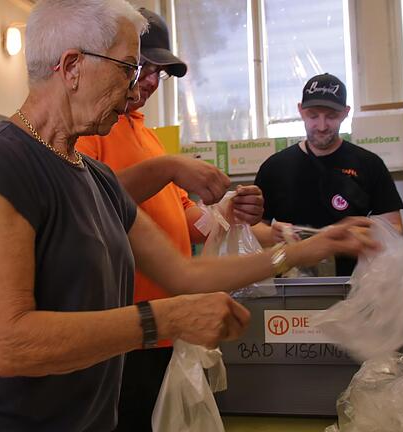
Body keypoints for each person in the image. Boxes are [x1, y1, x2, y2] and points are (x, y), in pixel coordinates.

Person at [0, 2, 378, 430]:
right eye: (127, 67)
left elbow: (183, 274)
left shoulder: (94, 178)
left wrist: (304, 249)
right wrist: (163, 320)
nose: (135, 84)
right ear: (73, 66)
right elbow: (10, 344)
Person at [75, 8, 264, 430]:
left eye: (159, 74)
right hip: (122, 327)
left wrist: (226, 212)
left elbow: (186, 218)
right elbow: (85, 203)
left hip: (165, 325)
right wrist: (168, 168)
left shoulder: (149, 137)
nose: (148, 82)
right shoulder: (90, 130)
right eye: (141, 67)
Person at [253, 73, 403, 276]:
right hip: (291, 290)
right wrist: (273, 234)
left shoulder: (369, 164)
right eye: (313, 116)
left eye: (331, 116)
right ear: (300, 110)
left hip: (353, 286)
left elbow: (395, 227)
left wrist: (358, 234)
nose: (322, 126)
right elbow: (251, 230)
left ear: (345, 113)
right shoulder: (274, 167)